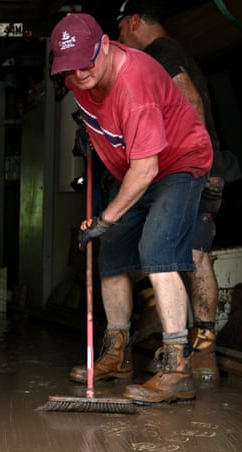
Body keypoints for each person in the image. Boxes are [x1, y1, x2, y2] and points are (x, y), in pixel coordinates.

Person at [52, 12, 212, 403]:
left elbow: (147, 167)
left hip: (177, 164)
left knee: (156, 251)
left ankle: (177, 369)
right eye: (70, 69)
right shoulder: (79, 78)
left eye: (86, 63)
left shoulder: (135, 82)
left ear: (106, 45)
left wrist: (106, 218)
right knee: (113, 255)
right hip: (136, 169)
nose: (80, 74)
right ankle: (117, 354)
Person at [116, 0, 235, 385]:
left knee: (176, 257)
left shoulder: (161, 53)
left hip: (193, 169)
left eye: (120, 30)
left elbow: (190, 100)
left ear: (135, 21)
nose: (121, 39)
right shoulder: (175, 51)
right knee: (192, 257)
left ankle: (187, 355)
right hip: (204, 167)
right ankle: (201, 355)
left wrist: (189, 162)